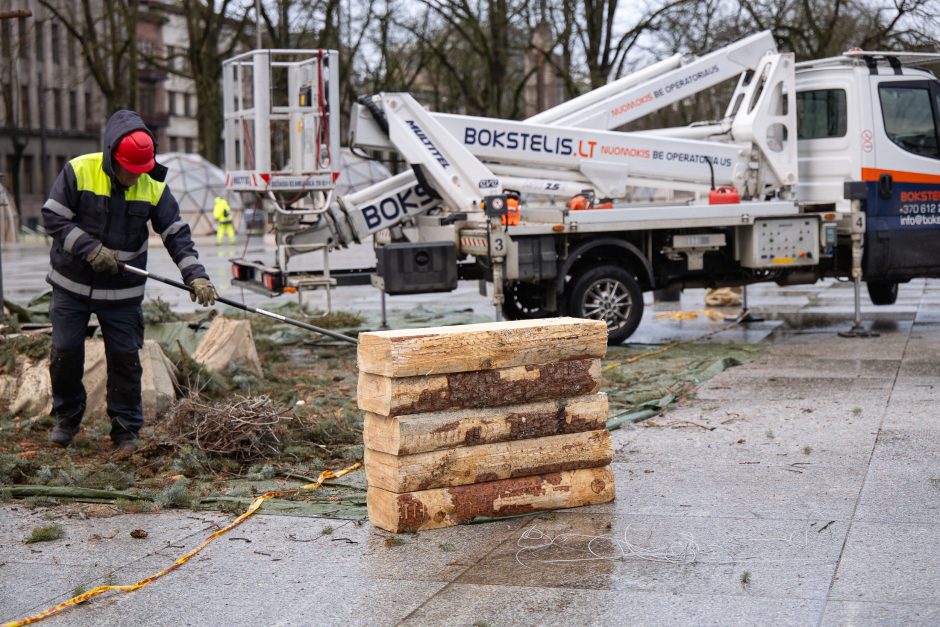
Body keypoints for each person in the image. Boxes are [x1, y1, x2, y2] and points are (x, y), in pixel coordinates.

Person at [41, 109, 218, 451]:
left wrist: (196, 276)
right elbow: (53, 217)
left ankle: (125, 430)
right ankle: (67, 419)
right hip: (71, 285)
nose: (134, 177)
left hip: (122, 292)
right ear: (112, 157)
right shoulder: (79, 170)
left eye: (141, 171)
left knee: (125, 359)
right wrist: (89, 248)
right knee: (65, 352)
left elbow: (176, 233)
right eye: (129, 170)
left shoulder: (151, 184)